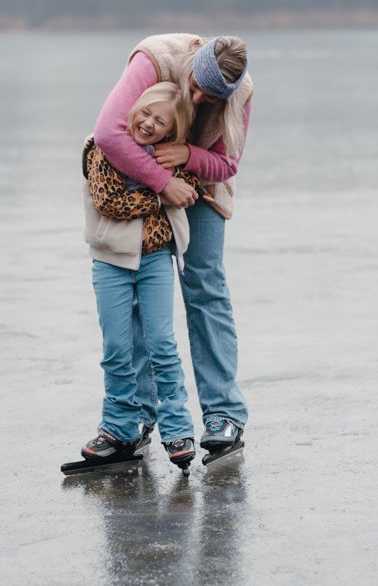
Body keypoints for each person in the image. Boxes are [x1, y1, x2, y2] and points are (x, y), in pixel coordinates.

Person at [92, 34, 253, 458]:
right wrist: (163, 182)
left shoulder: (240, 93)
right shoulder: (154, 58)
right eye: (196, 87)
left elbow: (227, 163)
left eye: (211, 97)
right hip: (141, 173)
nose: (199, 100)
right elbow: (109, 132)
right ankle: (137, 417)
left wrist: (186, 154)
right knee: (138, 288)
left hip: (202, 184)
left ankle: (224, 414)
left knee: (205, 284)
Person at [78, 81, 202, 471]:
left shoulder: (166, 158)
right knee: (117, 350)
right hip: (111, 262)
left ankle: (177, 428)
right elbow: (110, 201)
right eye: (145, 112)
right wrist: (162, 192)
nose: (148, 123)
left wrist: (174, 177)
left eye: (160, 121)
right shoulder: (101, 148)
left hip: (154, 261)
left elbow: (191, 187)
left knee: (162, 344)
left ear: (171, 131)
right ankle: (117, 427)